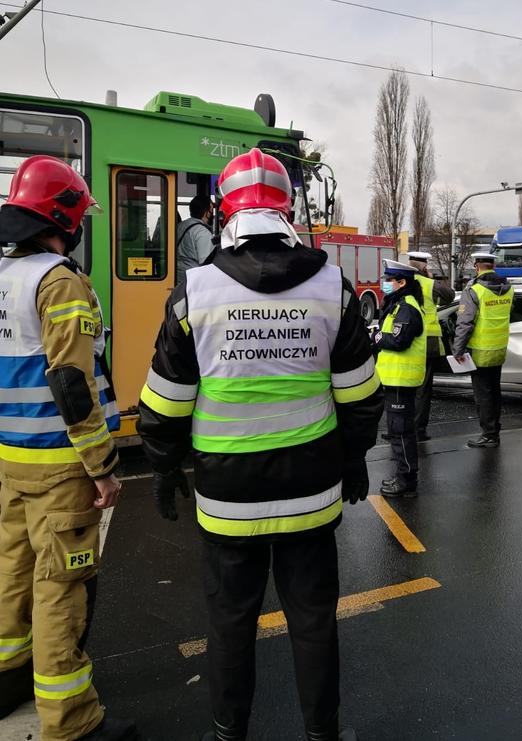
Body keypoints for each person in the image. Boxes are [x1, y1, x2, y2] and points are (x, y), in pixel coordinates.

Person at [137, 148, 382, 741]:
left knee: (229, 622)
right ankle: (324, 734)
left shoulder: (194, 293)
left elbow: (165, 403)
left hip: (226, 497)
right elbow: (360, 394)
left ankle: (228, 733)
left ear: (225, 212)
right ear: (288, 208)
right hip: (311, 491)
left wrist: (166, 470)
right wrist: (353, 460)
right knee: (314, 620)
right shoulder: (333, 287)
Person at [0, 157, 135, 740]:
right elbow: (72, 383)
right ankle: (72, 721)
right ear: (65, 218)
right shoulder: (60, 281)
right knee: (61, 589)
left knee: (10, 576)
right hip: (59, 466)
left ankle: (5, 682)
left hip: (9, 459)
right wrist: (102, 466)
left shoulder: (4, 278)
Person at [374, 260, 426, 498]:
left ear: (401, 282)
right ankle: (403, 476)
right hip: (396, 378)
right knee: (399, 430)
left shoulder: (407, 307)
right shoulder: (399, 304)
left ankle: (406, 479)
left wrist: (376, 339)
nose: (385, 284)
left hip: (401, 379)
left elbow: (398, 340)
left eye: (389, 280)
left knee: (401, 432)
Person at [453, 251, 514, 448]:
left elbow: (465, 322)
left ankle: (489, 435)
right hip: (499, 348)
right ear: (493, 266)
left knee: (483, 395)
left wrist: (458, 349)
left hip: (480, 350)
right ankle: (494, 430)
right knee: (494, 392)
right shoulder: (508, 288)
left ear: (477, 266)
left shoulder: (474, 290)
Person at [407, 250, 455, 442]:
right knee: (422, 390)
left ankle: (400, 428)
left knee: (402, 388)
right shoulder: (429, 284)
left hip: (404, 340)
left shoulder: (399, 282)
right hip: (427, 342)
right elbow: (449, 295)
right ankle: (418, 430)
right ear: (425, 266)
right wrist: (431, 278)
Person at [176, 194, 215, 284]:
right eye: (211, 210)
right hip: (193, 281)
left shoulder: (180, 226)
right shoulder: (202, 232)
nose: (212, 214)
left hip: (179, 277)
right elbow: (206, 265)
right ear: (206, 213)